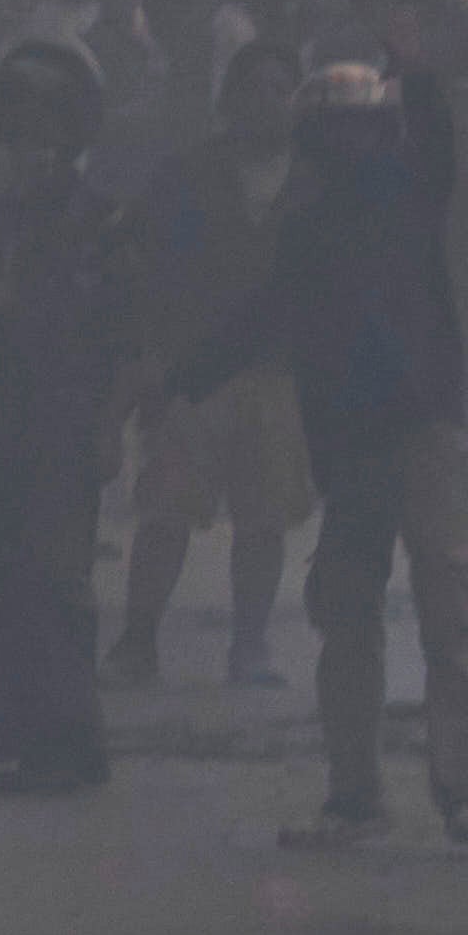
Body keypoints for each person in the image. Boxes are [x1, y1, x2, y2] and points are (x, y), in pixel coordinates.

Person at [154, 54, 468, 840]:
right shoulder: (319, 224)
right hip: (370, 441)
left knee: (411, 611)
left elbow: (260, 316)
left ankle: (411, 792)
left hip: (409, 434)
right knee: (389, 614)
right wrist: (185, 378)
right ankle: (391, 794)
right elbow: (265, 315)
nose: (349, 148)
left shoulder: (406, 193)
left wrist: (182, 378)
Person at [0, 33, 128, 794]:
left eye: (49, 128)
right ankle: (16, 742)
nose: (34, 147)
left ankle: (75, 740)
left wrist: (111, 424)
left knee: (59, 588)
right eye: (20, 130)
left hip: (65, 424)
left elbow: (121, 337)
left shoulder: (102, 220)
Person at [113, 41, 310, 690]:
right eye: (255, 87)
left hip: (278, 375)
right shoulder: (189, 174)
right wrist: (148, 359)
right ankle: (137, 644)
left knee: (264, 521)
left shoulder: (316, 183)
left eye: (281, 88)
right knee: (166, 511)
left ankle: (249, 647)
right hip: (193, 374)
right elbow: (140, 265)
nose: (267, 101)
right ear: (231, 100)